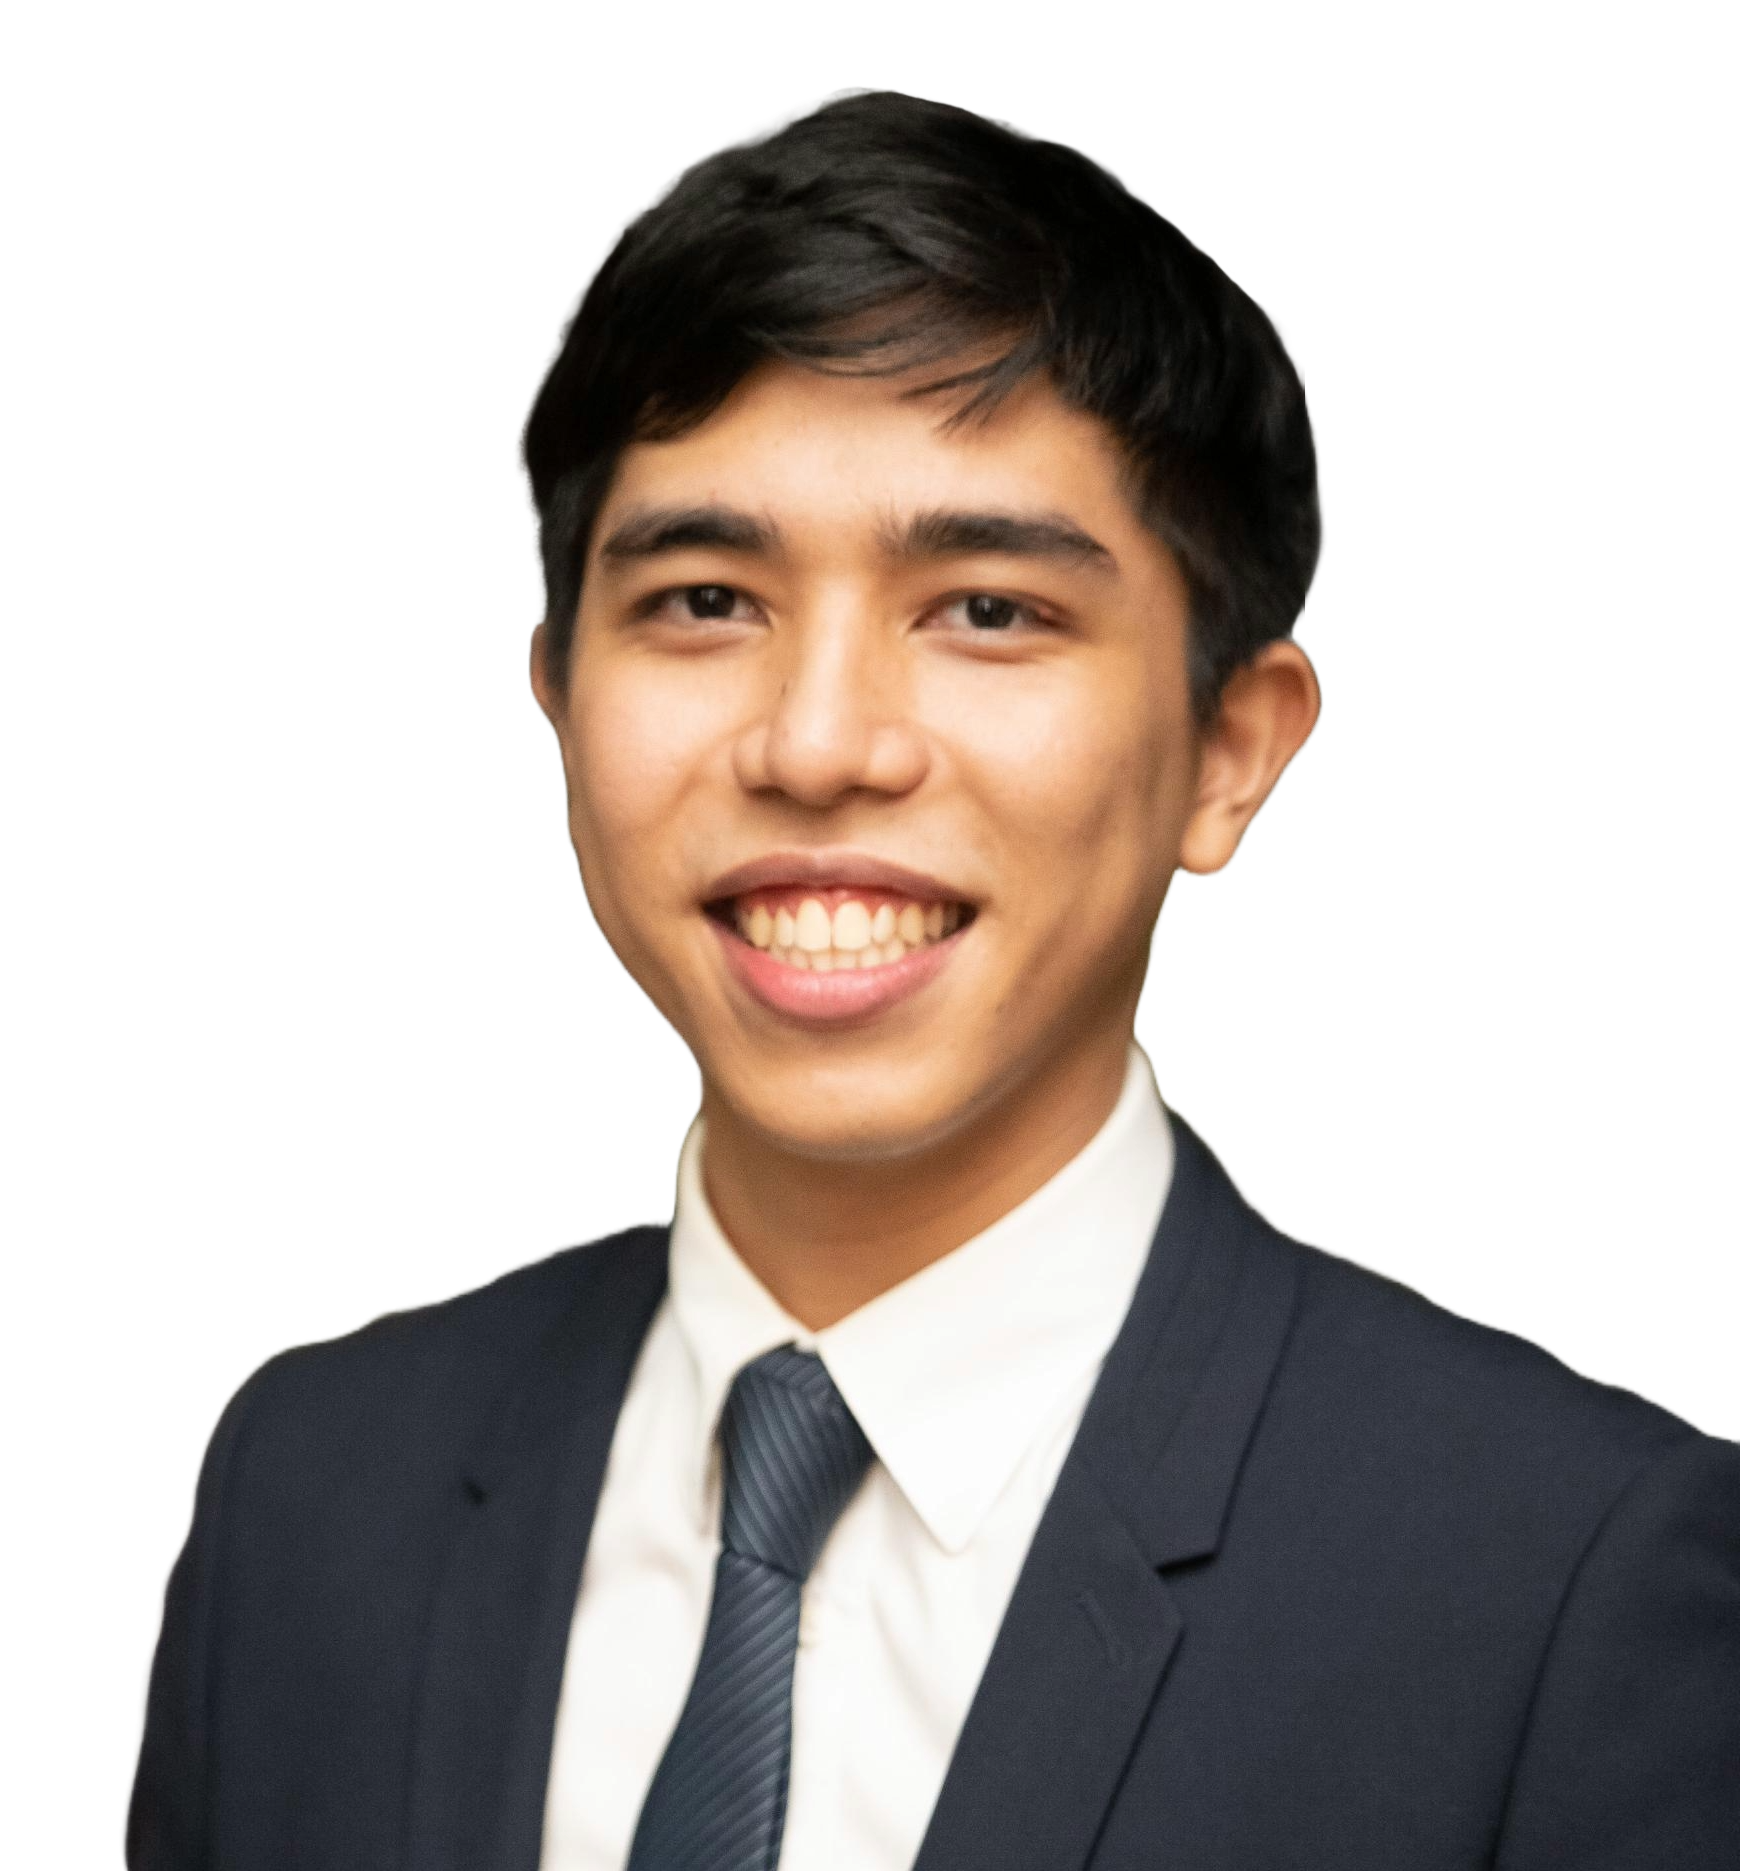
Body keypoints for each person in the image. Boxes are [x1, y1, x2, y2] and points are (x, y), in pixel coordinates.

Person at [122, 88, 1739, 1869]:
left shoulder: (1570, 1578)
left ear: (1231, 752)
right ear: (559, 704)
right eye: (705, 599)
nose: (820, 744)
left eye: (987, 608)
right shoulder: (308, 1486)